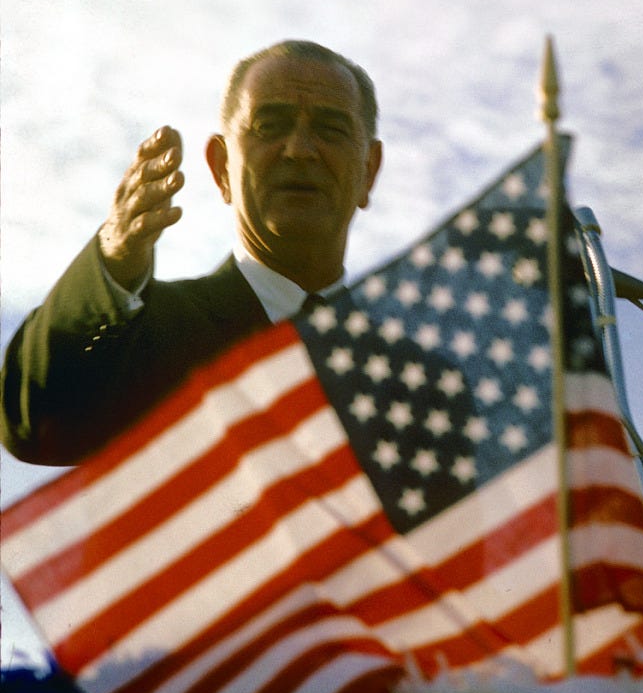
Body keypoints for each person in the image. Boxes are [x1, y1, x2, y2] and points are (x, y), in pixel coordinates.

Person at [1, 40, 383, 466]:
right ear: (221, 167)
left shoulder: (411, 379)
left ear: (369, 169)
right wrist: (116, 256)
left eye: (331, 130)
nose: (299, 149)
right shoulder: (148, 335)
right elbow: (34, 419)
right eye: (270, 126)